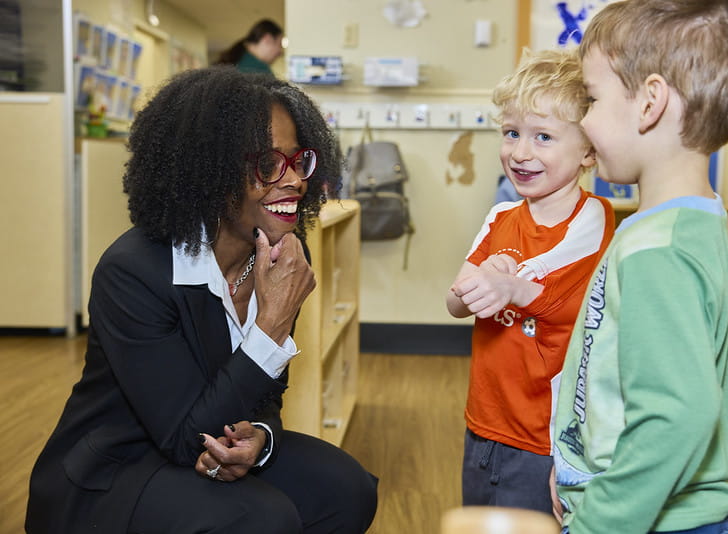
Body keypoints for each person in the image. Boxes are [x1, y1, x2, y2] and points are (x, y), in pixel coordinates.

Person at [26, 67, 377, 534]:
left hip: (205, 440)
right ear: (208, 172)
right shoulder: (134, 271)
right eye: (269, 165)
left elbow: (266, 393)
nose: (294, 180)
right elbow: (180, 437)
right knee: (263, 519)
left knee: (347, 489)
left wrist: (262, 437)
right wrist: (270, 325)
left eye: (298, 161)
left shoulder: (282, 255)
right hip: (116, 470)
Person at [551, 1, 728, 533]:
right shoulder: (688, 220)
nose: (583, 119)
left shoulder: (659, 252)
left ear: (650, 102)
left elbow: (674, 420)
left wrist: (596, 523)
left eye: (592, 98)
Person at [446, 48, 615, 513]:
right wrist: (475, 284)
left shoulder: (594, 217)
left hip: (547, 437)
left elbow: (557, 295)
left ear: (588, 151)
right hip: (484, 423)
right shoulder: (500, 215)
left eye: (543, 137)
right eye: (512, 133)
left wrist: (511, 285)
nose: (520, 152)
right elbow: (455, 303)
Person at [216, 19, 285, 77]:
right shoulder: (259, 70)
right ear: (267, 39)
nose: (280, 52)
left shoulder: (237, 59)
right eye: (279, 45)